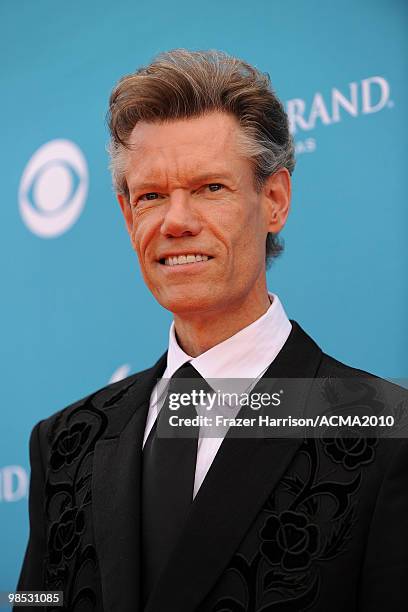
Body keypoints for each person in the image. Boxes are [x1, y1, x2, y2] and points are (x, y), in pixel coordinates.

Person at [15, 49, 408, 612]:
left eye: (209, 188)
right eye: (151, 196)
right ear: (128, 217)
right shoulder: (63, 443)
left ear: (273, 200)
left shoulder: (388, 434)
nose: (176, 221)